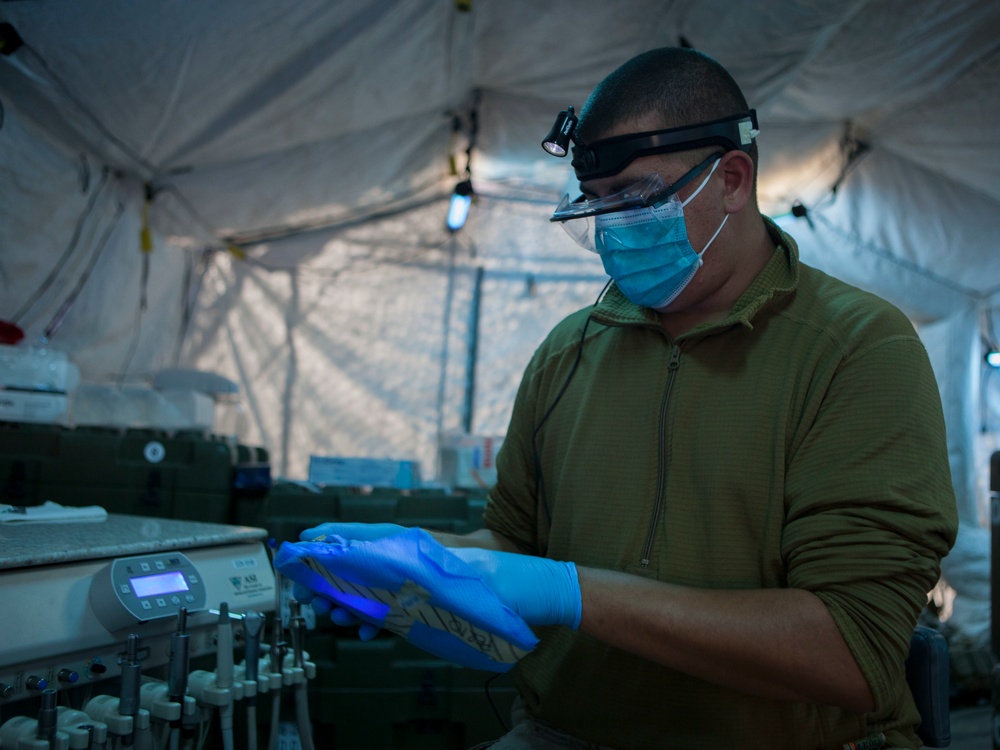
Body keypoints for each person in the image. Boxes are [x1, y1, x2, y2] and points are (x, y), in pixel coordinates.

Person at [295, 47, 958, 749]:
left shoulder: (854, 349)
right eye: (597, 204)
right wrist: (416, 564)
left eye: (637, 198)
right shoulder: (570, 351)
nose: (614, 229)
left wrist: (569, 593)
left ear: (733, 179)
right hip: (566, 733)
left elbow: (852, 654)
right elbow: (514, 545)